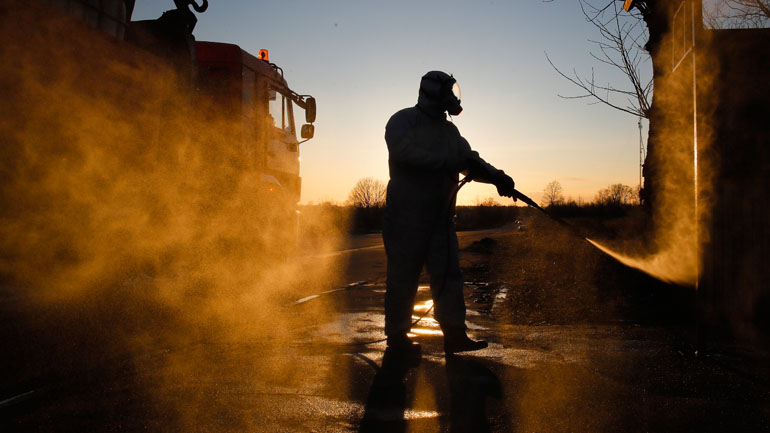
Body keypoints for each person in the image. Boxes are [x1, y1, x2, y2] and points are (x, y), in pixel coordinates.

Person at [383, 71, 517, 354]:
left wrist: (498, 177)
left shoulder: (449, 132)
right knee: (402, 279)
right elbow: (404, 153)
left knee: (448, 277)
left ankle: (455, 335)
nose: (452, 98)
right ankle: (397, 340)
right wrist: (446, 161)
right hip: (406, 220)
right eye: (447, 92)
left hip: (440, 220)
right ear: (434, 94)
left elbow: (468, 160)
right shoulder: (402, 121)